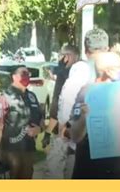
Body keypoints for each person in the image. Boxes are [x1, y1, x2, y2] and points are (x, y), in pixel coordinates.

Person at [54, 28, 110, 179]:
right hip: (98, 142)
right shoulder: (87, 69)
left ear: (86, 51)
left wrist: (64, 124)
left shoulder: (86, 69)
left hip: (93, 142)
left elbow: (66, 96)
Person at [69, 52, 120, 179]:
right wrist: (84, 117)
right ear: (108, 71)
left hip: (114, 168)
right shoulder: (87, 93)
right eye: (119, 67)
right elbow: (75, 136)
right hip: (89, 168)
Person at [0, 65, 43, 179]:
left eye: (28, 74)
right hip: (10, 151)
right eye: (23, 74)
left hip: (28, 151)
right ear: (14, 77)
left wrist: (39, 129)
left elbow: (41, 119)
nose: (27, 77)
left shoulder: (32, 96)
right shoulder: (5, 98)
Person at [42, 45, 79, 179]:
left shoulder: (64, 77)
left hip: (63, 132)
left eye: (60, 56)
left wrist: (47, 132)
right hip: (80, 133)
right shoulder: (84, 74)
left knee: (54, 170)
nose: (58, 59)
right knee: (73, 170)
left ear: (66, 57)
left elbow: (57, 107)